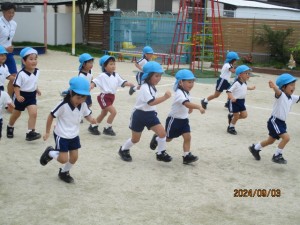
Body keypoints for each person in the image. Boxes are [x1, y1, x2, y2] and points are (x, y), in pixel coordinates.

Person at [40, 76, 99, 183]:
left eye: (84, 97)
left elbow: (87, 115)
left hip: (74, 135)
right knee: (63, 159)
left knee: (74, 157)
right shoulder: (63, 105)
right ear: (71, 93)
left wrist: (91, 120)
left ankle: (64, 172)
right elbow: (51, 116)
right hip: (61, 135)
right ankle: (50, 152)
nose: (81, 100)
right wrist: (47, 132)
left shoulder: (83, 104)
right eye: (78, 97)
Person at [118, 61, 172, 162]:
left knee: (162, 133)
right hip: (139, 115)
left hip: (150, 115)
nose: (159, 78)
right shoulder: (145, 87)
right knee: (135, 139)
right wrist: (165, 97)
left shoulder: (151, 86)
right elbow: (151, 102)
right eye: (156, 76)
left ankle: (160, 153)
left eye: (160, 75)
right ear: (148, 76)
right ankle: (123, 149)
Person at [249, 73, 299, 164]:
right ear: (283, 87)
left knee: (270, 141)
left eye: (294, 85)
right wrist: (274, 86)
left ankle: (255, 148)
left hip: (281, 123)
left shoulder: (292, 98)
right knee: (286, 138)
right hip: (275, 121)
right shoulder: (281, 95)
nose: (294, 87)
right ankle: (277, 155)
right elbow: (277, 91)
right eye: (291, 85)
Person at [157, 69, 205, 164]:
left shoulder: (187, 92)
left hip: (184, 120)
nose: (191, 84)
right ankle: (157, 138)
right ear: (180, 82)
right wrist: (198, 107)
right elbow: (186, 104)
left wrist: (190, 109)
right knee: (168, 139)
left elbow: (188, 104)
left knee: (187, 137)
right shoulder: (179, 93)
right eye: (189, 82)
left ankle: (186, 156)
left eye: (192, 82)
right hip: (174, 120)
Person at [91, 55, 134, 136]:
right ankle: (107, 128)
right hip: (104, 97)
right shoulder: (102, 75)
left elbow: (122, 82)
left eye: (114, 64)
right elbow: (95, 81)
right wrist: (92, 85)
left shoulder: (116, 75)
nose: (113, 66)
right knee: (113, 112)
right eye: (110, 64)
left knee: (104, 113)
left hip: (111, 97)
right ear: (104, 66)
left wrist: (130, 84)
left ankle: (93, 125)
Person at [7, 47, 42, 141]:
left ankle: (30, 133)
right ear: (24, 61)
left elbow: (33, 82)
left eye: (35, 59)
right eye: (31, 59)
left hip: (31, 96)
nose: (34, 61)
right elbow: (16, 86)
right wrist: (18, 96)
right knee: (16, 114)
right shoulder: (21, 74)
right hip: (21, 96)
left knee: (33, 113)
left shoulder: (37, 71)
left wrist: (37, 89)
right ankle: (10, 126)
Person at [226, 65, 255, 135]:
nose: (248, 75)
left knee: (244, 115)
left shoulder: (244, 82)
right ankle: (231, 127)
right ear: (240, 75)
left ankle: (232, 117)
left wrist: (250, 88)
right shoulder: (236, 83)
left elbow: (244, 87)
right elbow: (228, 91)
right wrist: (232, 97)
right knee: (236, 116)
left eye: (249, 73)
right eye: (246, 73)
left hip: (242, 102)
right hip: (235, 102)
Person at [0, 2, 17, 98]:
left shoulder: (14, 24)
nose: (11, 15)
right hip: (0, 52)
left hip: (9, 54)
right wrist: (4, 48)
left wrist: (10, 46)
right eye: (8, 12)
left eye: (13, 12)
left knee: (13, 77)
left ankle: (9, 99)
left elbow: (9, 38)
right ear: (3, 12)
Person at [0, 45, 14, 112]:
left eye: (5, 55)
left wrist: (17, 79)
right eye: (1, 55)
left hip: (1, 89)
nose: (4, 57)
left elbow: (8, 76)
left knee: (11, 108)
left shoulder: (5, 66)